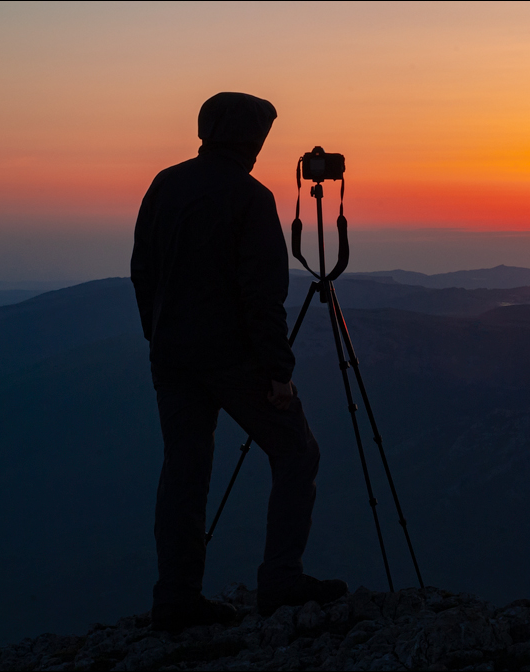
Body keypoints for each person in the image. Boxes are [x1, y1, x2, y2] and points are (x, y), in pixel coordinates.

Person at [131, 92, 347, 632]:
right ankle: (280, 580)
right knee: (296, 451)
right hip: (233, 357)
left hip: (173, 356)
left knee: (184, 470)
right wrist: (279, 374)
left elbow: (142, 271)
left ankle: (175, 596)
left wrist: (157, 336)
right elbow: (262, 293)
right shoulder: (250, 197)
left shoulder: (165, 183)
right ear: (253, 139)